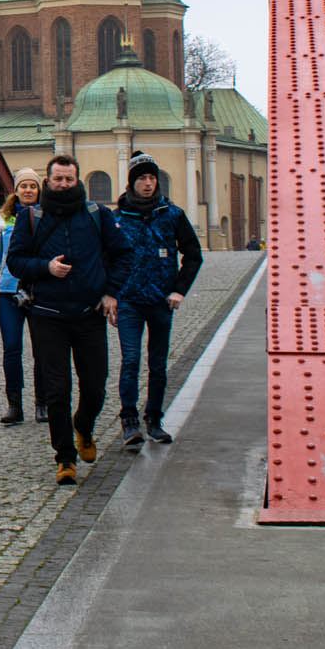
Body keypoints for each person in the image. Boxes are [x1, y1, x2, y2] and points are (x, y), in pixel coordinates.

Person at [6, 153, 132, 485]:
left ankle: (84, 426)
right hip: (47, 315)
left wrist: (111, 293)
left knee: (95, 387)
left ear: (78, 181)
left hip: (89, 313)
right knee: (57, 391)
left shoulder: (96, 216)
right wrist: (45, 268)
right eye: (58, 179)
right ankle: (65, 458)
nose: (63, 184)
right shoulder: (31, 217)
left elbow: (123, 255)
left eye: (69, 179)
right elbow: (16, 262)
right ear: (49, 181)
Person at [111, 151, 203, 448]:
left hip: (162, 301)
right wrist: (108, 294)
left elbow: (193, 255)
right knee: (131, 360)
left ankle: (154, 419)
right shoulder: (117, 219)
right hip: (129, 301)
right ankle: (129, 420)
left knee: (158, 364)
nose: (148, 184)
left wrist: (179, 289)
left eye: (152, 178)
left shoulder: (172, 215)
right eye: (142, 179)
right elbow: (104, 259)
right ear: (132, 183)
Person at [0, 168, 49, 425]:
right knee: (12, 348)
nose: (28, 190)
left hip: (40, 291)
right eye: (23, 186)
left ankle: (43, 403)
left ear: (39, 190)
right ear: (15, 191)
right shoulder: (4, 219)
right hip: (9, 292)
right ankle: (15, 405)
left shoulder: (47, 217)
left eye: (33, 186)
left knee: (43, 349)